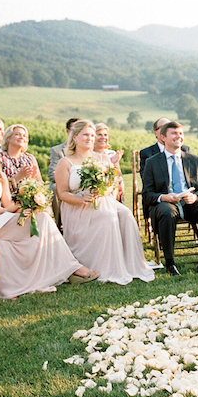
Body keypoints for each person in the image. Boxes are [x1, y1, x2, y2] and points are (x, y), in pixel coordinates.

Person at [0, 133, 98, 299]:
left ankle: (48, 273)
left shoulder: (0, 174)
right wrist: (5, 211)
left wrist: (27, 203)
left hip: (1, 221)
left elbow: (8, 204)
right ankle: (71, 268)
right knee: (40, 223)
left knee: (39, 217)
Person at [55, 120, 154, 285]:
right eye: (86, 134)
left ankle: (130, 264)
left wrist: (103, 191)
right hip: (76, 206)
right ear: (75, 137)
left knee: (127, 215)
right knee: (107, 216)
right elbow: (62, 193)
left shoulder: (102, 158)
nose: (90, 138)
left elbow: (111, 185)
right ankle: (104, 267)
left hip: (102, 199)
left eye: (92, 135)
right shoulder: (65, 162)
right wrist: (80, 199)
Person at [142, 121, 198, 275]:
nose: (179, 137)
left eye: (181, 133)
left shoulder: (195, 160)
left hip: (190, 203)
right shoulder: (152, 163)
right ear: (163, 137)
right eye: (174, 133)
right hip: (167, 204)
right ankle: (170, 263)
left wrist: (195, 197)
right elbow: (147, 194)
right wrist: (164, 197)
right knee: (166, 212)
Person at [48, 117, 79, 228]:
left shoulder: (88, 149)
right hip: (64, 184)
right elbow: (52, 173)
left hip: (82, 185)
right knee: (55, 187)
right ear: (67, 131)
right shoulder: (57, 150)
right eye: (73, 129)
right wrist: (69, 181)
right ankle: (59, 225)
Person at [0, 124, 43, 195]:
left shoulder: (30, 158)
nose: (22, 137)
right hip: (7, 200)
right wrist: (18, 177)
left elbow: (40, 183)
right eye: (17, 134)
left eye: (24, 136)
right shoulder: (0, 158)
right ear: (8, 138)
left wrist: (33, 179)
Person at [94, 122, 125, 202]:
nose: (103, 137)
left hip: (114, 189)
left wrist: (121, 185)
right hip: (98, 191)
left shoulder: (112, 153)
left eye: (105, 135)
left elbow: (118, 174)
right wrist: (111, 162)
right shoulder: (89, 154)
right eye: (99, 134)